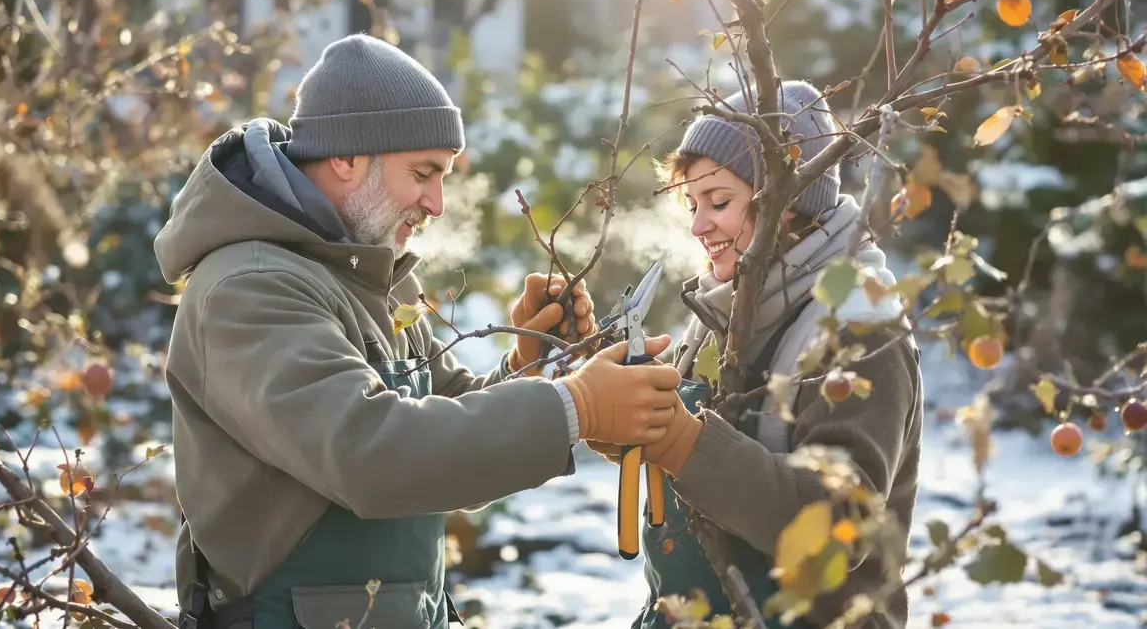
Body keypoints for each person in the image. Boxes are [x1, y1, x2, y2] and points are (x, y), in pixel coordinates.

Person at [153, 34, 683, 629]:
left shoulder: (369, 271)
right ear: (347, 158)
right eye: (423, 173)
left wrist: (527, 368)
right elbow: (370, 452)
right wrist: (576, 406)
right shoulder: (248, 289)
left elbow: (440, 436)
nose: (437, 203)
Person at [587, 81, 924, 629]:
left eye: (719, 202)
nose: (698, 226)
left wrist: (682, 442)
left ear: (787, 200)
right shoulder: (724, 310)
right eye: (693, 205)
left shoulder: (860, 329)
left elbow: (839, 535)